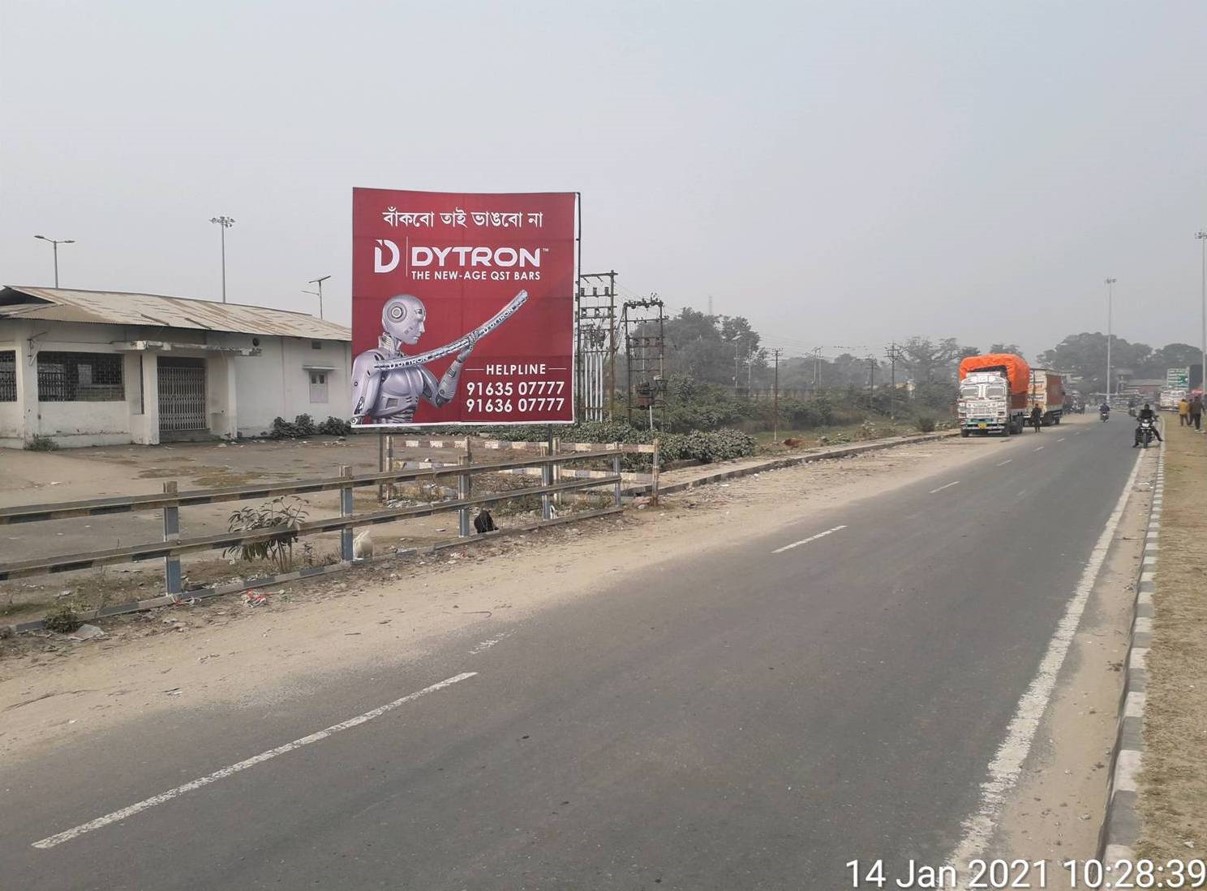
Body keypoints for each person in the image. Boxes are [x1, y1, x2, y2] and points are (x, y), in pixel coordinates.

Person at [350, 294, 477, 424]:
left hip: (409, 432)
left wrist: (458, 361)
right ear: (397, 317)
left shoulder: (413, 365)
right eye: (417, 322)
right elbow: (356, 416)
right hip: (381, 433)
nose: (422, 329)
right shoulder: (372, 361)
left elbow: (440, 399)